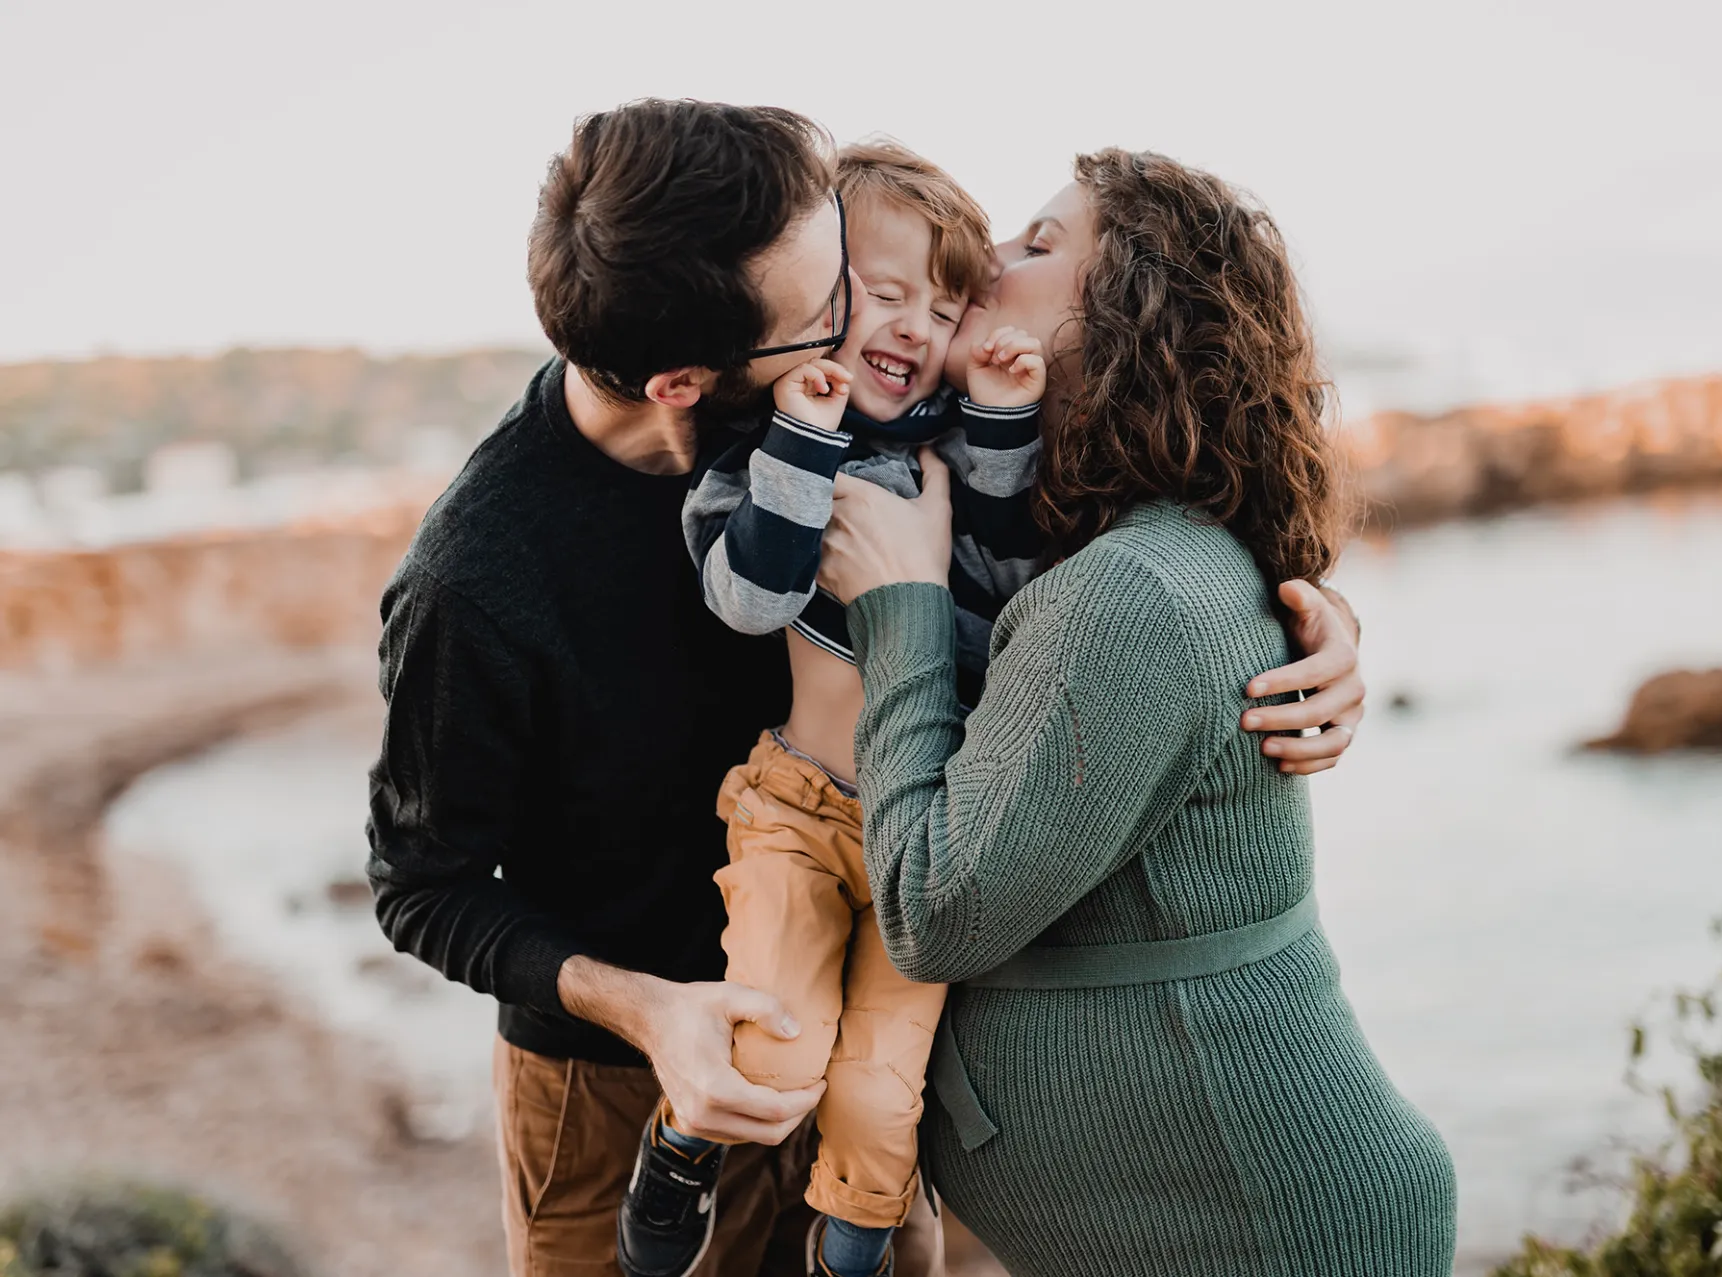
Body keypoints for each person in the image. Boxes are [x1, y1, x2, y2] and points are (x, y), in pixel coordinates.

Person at [365, 98, 1368, 1277]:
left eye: (850, 264)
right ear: (690, 380)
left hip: (869, 1025)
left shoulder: (878, 391)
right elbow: (420, 887)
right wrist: (650, 1011)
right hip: (615, 1088)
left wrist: (1304, 620)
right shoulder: (477, 582)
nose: (878, 319)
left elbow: (1134, 516)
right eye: (831, 306)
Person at [816, 149, 1455, 1276]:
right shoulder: (1082, 544)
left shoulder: (1131, 586)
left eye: (1037, 244)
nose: (980, 265)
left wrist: (902, 610)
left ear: (1128, 316)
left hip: (1270, 1236)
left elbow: (935, 908)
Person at [626, 141, 1044, 1277]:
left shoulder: (957, 451)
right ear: (817, 300)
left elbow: (1008, 587)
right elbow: (756, 599)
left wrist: (1003, 419)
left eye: (946, 305)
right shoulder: (751, 459)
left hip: (927, 830)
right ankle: (679, 1142)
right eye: (887, 293)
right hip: (798, 812)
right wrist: (807, 434)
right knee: (780, 1052)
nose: (916, 323)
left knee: (879, 1093)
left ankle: (847, 1252)